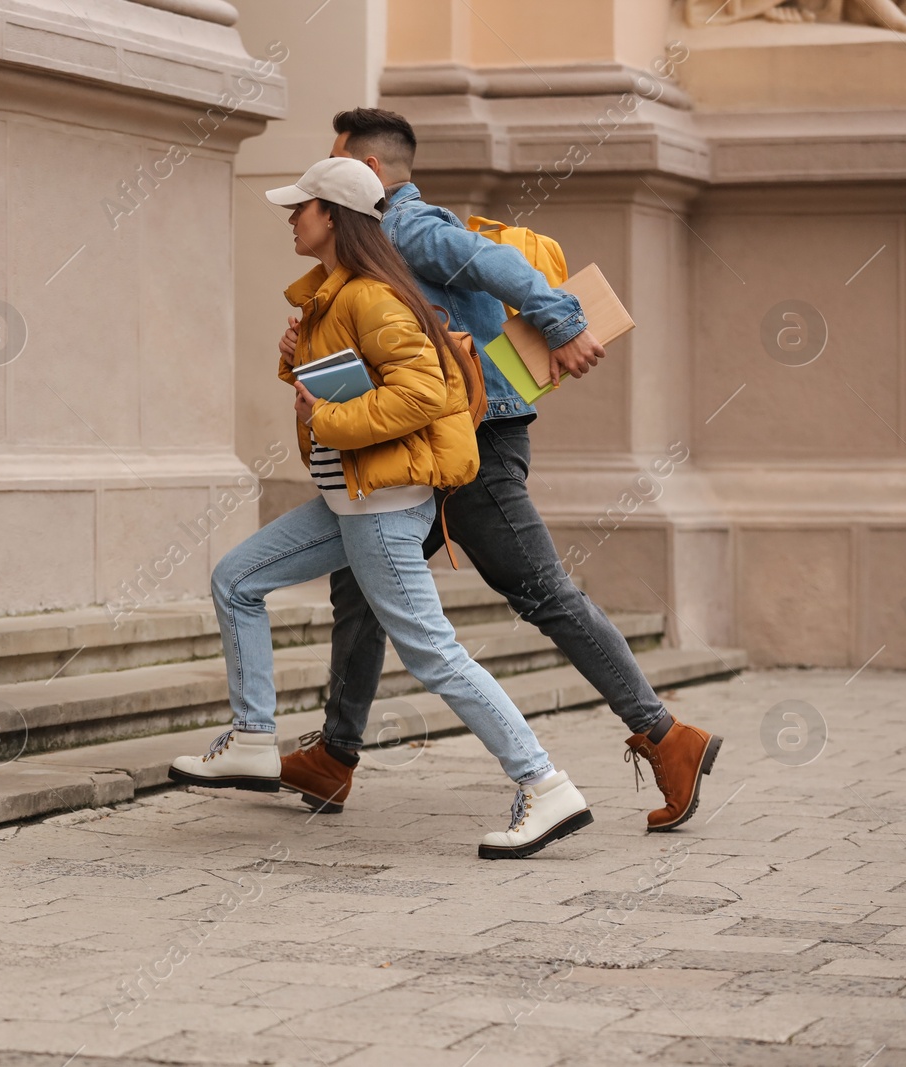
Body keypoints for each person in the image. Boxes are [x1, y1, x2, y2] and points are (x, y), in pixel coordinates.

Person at [277, 108, 722, 832]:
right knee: (359, 584)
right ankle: (335, 754)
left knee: (544, 593)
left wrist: (563, 320)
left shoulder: (408, 228)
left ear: (375, 174)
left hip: (474, 453)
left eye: (341, 164)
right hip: (433, 449)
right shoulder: (381, 243)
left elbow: (500, 267)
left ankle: (669, 737)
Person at [168, 156, 592, 859]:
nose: (290, 217)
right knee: (237, 580)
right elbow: (348, 376)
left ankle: (545, 785)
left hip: (383, 509)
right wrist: (295, 358)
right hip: (348, 501)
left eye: (301, 207)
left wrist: (329, 420)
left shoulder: (372, 296)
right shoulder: (339, 294)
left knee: (435, 655)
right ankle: (250, 739)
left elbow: (423, 392)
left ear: (333, 217)